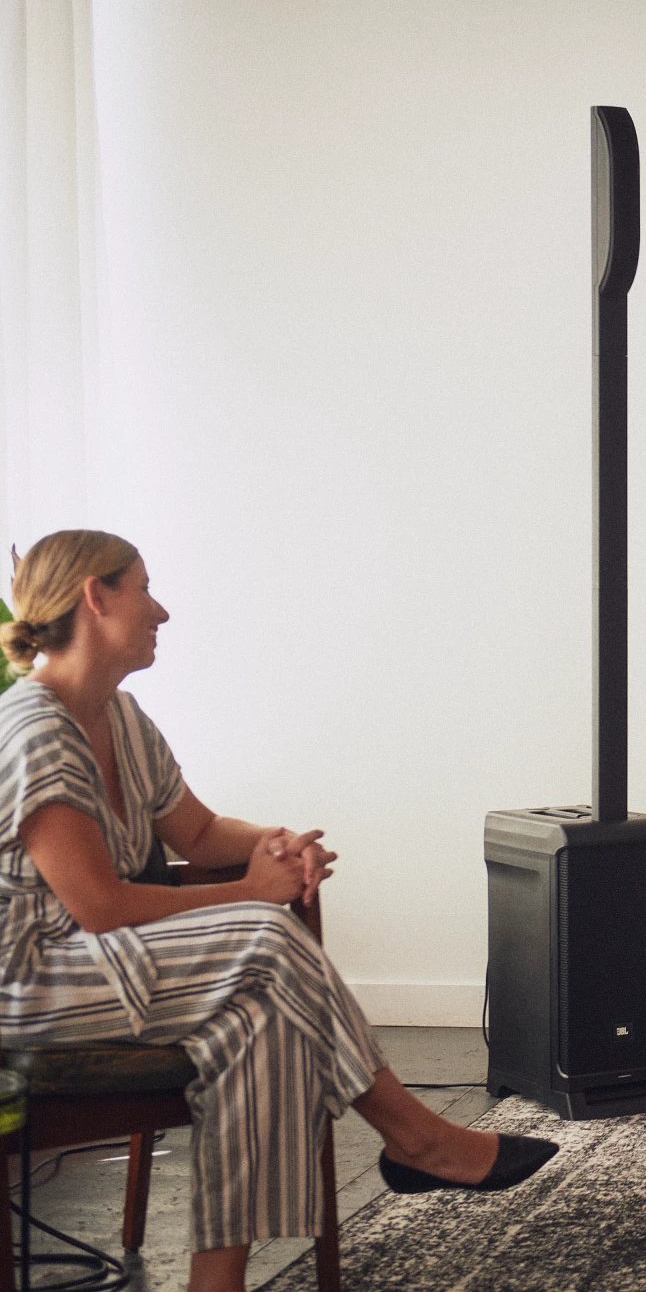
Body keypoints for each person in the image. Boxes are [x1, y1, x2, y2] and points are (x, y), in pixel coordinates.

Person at [0, 531, 558, 1292]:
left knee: (258, 1028)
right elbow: (98, 906)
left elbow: (198, 832)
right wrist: (250, 892)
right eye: (144, 587)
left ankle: (218, 1282)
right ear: (96, 597)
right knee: (267, 934)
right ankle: (417, 1136)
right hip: (32, 979)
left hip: (108, 962)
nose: (161, 609)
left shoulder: (122, 717)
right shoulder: (34, 730)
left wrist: (279, 845)